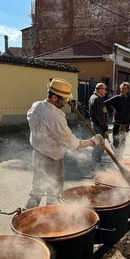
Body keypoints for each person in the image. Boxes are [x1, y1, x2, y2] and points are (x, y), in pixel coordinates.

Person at [26, 78, 100, 208]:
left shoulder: (36, 105)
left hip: (38, 154)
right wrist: (93, 141)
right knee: (54, 192)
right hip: (52, 159)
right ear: (54, 97)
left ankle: (28, 214)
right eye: (64, 99)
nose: (66, 102)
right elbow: (73, 143)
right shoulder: (54, 116)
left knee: (37, 188)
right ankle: (51, 217)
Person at [105, 81, 130, 159]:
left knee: (123, 142)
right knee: (116, 141)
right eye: (122, 88)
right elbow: (105, 103)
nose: (123, 90)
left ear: (128, 90)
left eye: (125, 89)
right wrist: (112, 110)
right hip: (117, 124)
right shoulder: (117, 98)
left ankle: (120, 156)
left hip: (126, 124)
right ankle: (115, 157)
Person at [89, 82, 109, 171]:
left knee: (97, 146)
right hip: (99, 127)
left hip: (95, 125)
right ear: (100, 90)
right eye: (105, 89)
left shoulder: (93, 97)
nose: (106, 92)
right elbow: (100, 117)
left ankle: (97, 164)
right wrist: (105, 129)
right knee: (99, 147)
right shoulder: (98, 99)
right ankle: (95, 166)